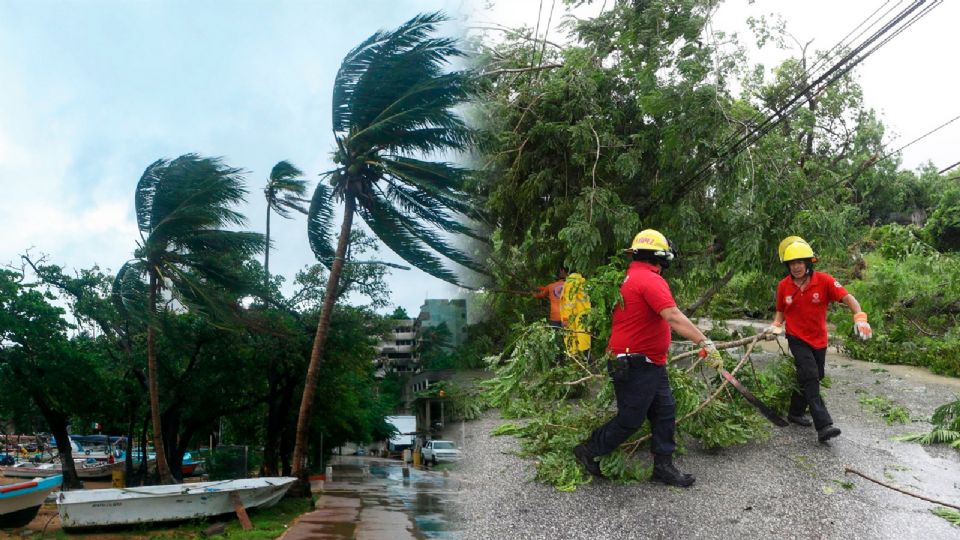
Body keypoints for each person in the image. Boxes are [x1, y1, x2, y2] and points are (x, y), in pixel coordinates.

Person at [572, 229, 723, 487]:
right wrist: (704, 342)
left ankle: (663, 467)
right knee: (631, 419)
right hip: (635, 363)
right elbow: (673, 317)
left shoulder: (633, 276)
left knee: (665, 412)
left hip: (648, 362)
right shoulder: (650, 280)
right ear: (661, 257)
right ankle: (587, 449)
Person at [766, 236, 872, 443]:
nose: (796, 267)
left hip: (819, 339)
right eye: (792, 263)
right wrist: (776, 326)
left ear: (808, 262)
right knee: (811, 377)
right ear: (787, 266)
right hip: (797, 337)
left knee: (813, 376)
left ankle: (795, 412)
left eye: (799, 262)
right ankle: (823, 425)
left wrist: (860, 318)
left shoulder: (823, 280)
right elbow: (781, 311)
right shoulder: (783, 286)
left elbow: (848, 298)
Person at [560, 271, 591, 356]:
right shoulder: (580, 280)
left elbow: (569, 301)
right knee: (584, 340)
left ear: (563, 270)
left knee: (575, 342)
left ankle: (579, 363)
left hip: (574, 316)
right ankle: (585, 362)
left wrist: (566, 318)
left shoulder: (572, 281)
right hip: (582, 314)